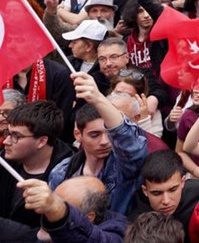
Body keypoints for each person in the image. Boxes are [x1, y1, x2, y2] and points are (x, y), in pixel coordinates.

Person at [49, 72, 148, 215]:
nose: (104, 142)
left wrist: (98, 98)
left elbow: (130, 146)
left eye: (110, 134)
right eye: (95, 135)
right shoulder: (61, 173)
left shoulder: (124, 167)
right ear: (78, 135)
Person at [0, 100, 72, 227]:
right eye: (8, 133)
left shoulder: (68, 175)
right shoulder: (4, 160)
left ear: (41, 141)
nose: (6, 141)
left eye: (16, 136)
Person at [19, 176, 128, 242]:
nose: (49, 211)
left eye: (63, 207)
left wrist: (58, 210)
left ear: (89, 217)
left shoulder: (118, 231)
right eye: (54, 198)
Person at [127, 150, 199, 237]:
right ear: (145, 191)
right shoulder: (136, 223)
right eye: (157, 193)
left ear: (183, 182)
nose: (166, 201)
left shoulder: (197, 193)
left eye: (172, 190)